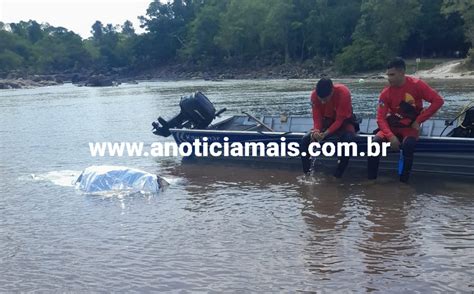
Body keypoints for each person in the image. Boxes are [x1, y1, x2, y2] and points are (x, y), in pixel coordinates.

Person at [368, 57, 444, 182]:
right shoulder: (385, 93)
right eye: (388, 75)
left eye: (392, 75)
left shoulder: (417, 85)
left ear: (402, 72)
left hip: (410, 127)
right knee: (374, 145)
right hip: (392, 126)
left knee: (408, 146)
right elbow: (381, 119)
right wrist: (391, 137)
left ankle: (403, 184)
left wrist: (419, 120)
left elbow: (438, 101)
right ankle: (371, 181)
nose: (389, 78)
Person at [300, 78, 358, 178]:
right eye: (320, 99)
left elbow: (339, 120)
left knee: (347, 141)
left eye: (325, 99)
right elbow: (317, 117)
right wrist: (317, 131)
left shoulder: (343, 93)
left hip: (344, 122)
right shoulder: (314, 95)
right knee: (305, 140)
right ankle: (307, 174)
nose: (323, 102)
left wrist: (325, 134)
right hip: (325, 122)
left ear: (332, 91)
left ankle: (337, 176)